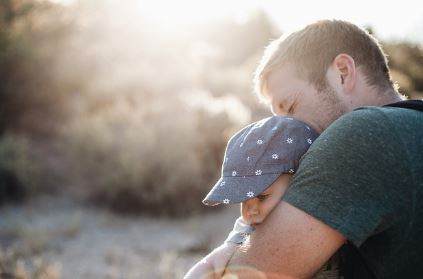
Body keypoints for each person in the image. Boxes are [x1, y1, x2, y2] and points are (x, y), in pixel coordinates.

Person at [192, 19, 423, 278]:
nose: (286, 129)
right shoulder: (412, 127)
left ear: (343, 72)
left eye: (290, 107)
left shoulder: (361, 133)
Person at [184, 116, 337, 279]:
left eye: (262, 197)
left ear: (299, 182)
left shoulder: (323, 215)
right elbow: (212, 263)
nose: (250, 211)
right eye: (243, 199)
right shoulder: (247, 229)